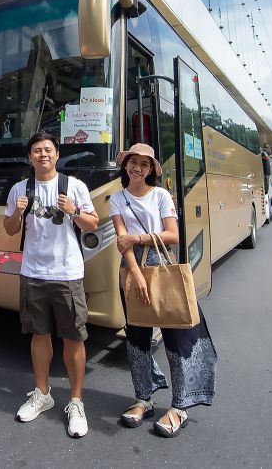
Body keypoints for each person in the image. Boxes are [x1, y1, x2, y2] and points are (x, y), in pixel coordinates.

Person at [110, 143, 217, 439]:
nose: (138, 168)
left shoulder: (161, 195)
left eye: (144, 164)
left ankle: (180, 405)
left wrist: (138, 237)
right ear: (125, 165)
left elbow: (172, 234)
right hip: (132, 270)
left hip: (164, 265)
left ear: (151, 170)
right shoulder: (117, 199)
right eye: (133, 162)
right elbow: (122, 241)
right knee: (136, 337)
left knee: (177, 336)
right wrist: (137, 275)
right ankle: (143, 398)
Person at [2, 132, 98, 438]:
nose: (42, 155)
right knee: (39, 335)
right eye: (36, 151)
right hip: (33, 273)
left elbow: (93, 223)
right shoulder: (20, 188)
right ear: (30, 157)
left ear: (57, 155)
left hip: (67, 274)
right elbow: (9, 229)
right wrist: (18, 210)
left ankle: (76, 401)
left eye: (48, 150)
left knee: (73, 338)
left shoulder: (74, 186)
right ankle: (42, 394)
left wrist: (74, 211)